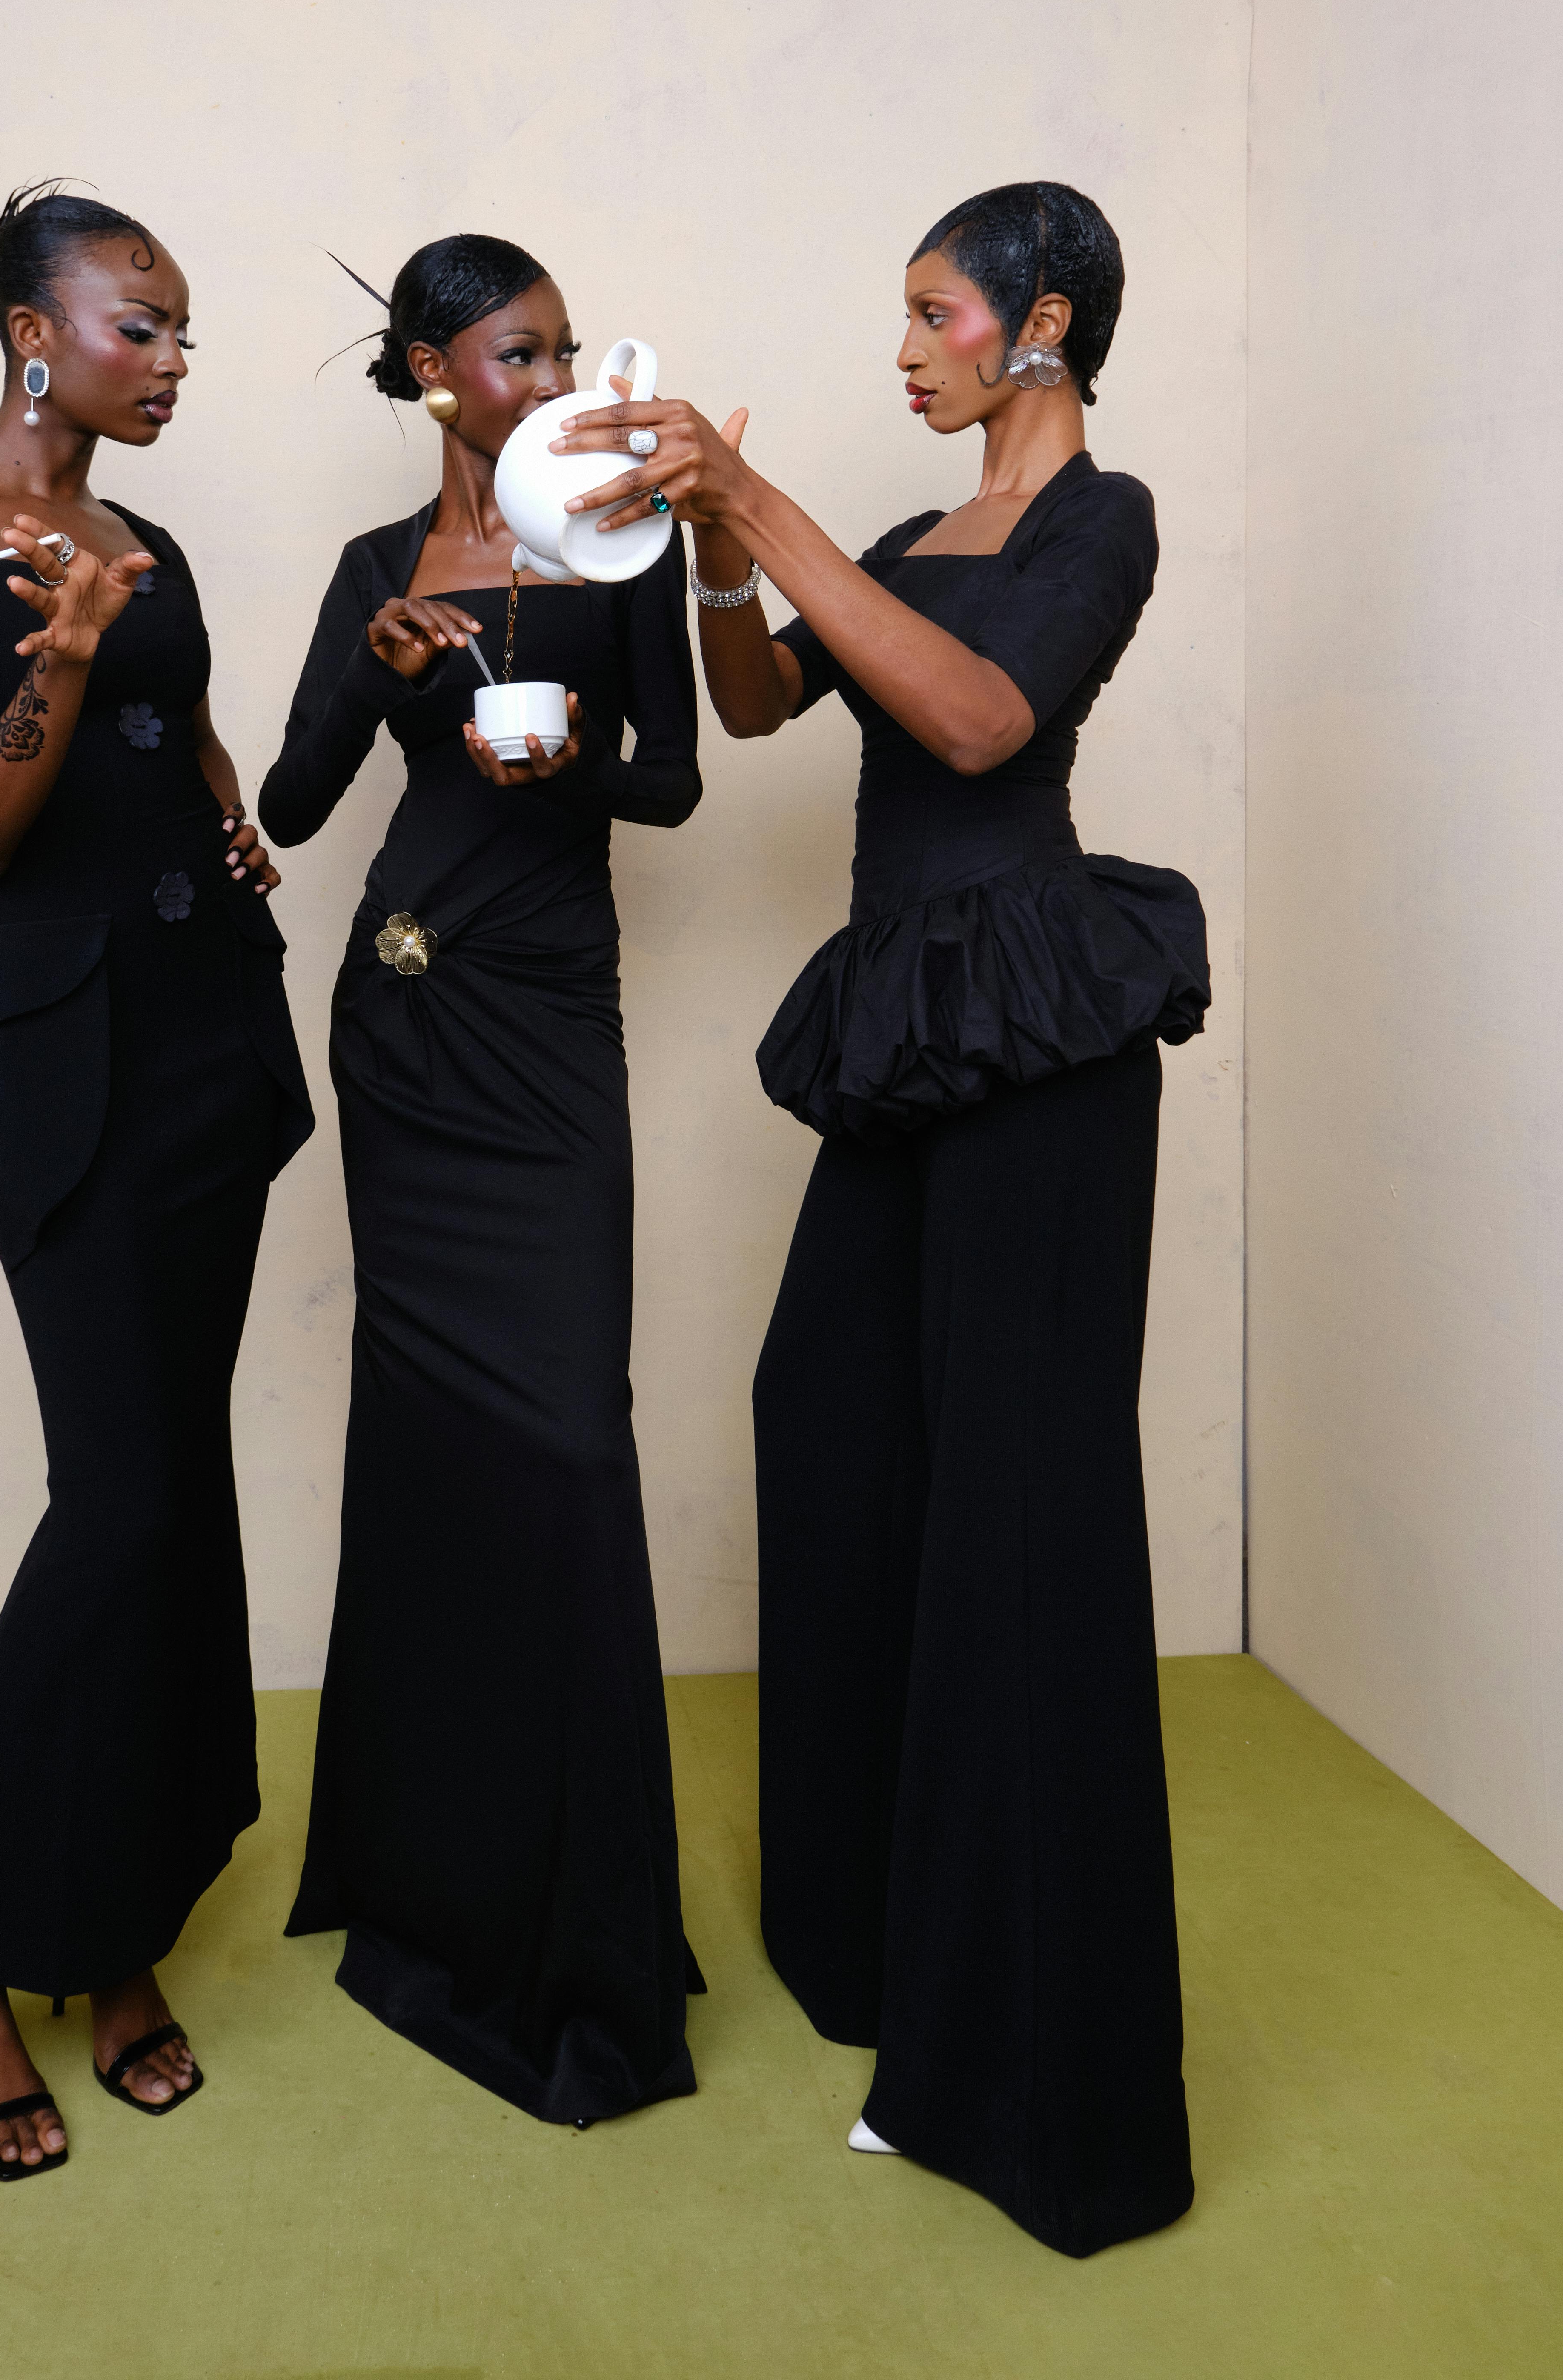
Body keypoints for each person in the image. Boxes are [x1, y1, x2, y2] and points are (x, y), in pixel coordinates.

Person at [559, 182, 1208, 2255]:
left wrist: (757, 493)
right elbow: (766, 704)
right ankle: (876, 1951)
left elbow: (979, 720)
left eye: (936, 314)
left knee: (1019, 1531)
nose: (907, 349)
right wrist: (716, 554)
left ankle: (1029, 2089)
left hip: (1042, 1038)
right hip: (918, 1036)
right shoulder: (914, 532)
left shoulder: (1102, 518)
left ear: (1043, 324)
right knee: (832, 1431)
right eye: (906, 317)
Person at [0, 183, 312, 2180]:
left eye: (186, 331)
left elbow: (175, 729)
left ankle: (120, 1916)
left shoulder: (147, 540)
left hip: (213, 1039)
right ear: (37, 331)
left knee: (178, 1486)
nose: (174, 360)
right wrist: (69, 661)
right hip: (72, 1065)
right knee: (120, 1500)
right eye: (143, 324)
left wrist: (227, 809)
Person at [260, 234, 704, 2125]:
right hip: (404, 1018)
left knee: (571, 1442)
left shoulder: (625, 540)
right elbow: (289, 806)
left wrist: (576, 754)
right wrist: (370, 679)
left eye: (564, 349)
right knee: (434, 1440)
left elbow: (675, 783)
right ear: (436, 374)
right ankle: (428, 1869)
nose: (556, 382)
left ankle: (580, 1925)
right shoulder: (378, 567)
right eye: (518, 355)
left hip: (548, 1028)